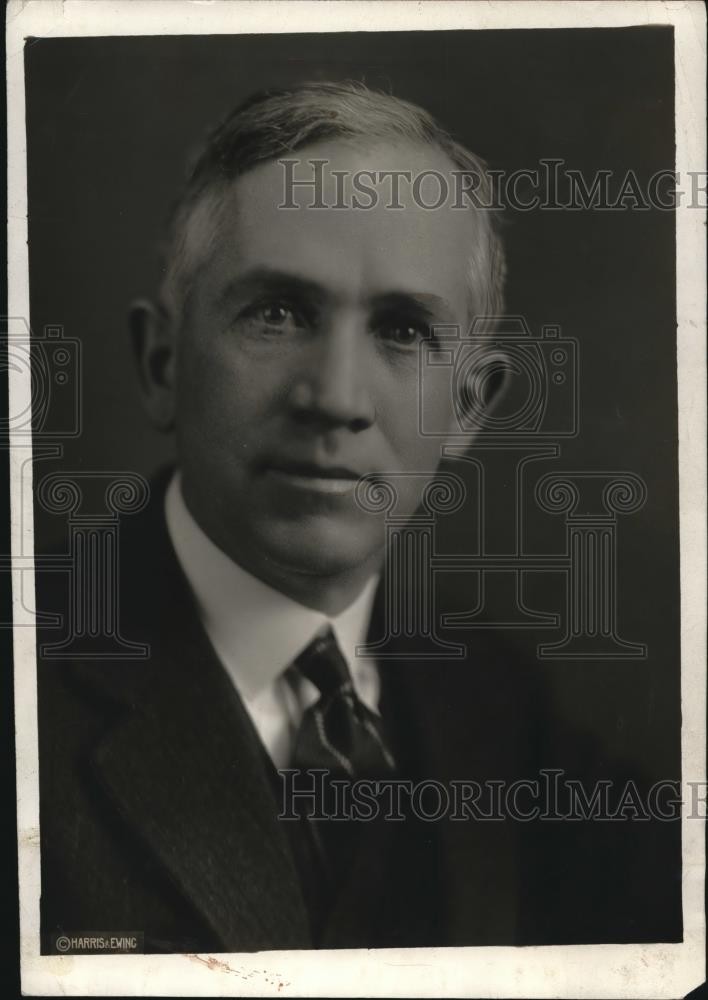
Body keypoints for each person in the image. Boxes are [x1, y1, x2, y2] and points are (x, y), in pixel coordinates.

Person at [37, 81, 681, 954]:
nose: (336, 397)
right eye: (276, 314)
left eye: (404, 331)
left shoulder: (497, 706)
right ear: (161, 365)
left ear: (468, 408)